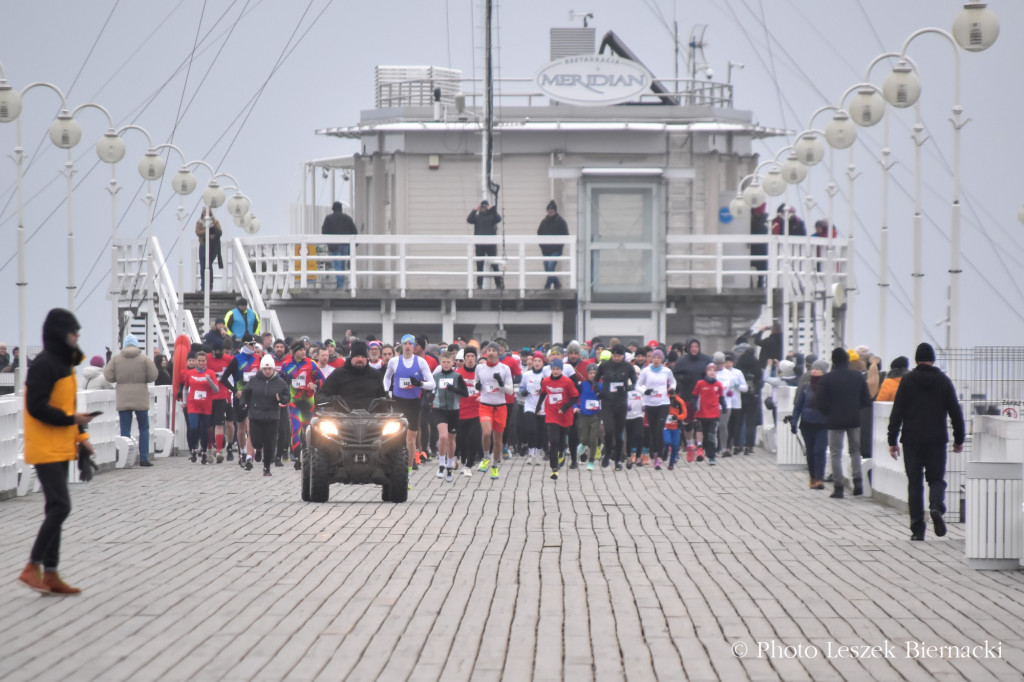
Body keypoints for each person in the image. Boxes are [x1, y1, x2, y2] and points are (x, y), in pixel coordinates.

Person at [17, 308, 94, 595]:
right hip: (44, 447)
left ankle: (50, 573)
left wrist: (81, 435)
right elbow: (35, 406)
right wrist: (72, 421)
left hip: (61, 445)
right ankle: (31, 566)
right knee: (61, 506)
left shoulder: (65, 364)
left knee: (55, 508)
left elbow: (67, 408)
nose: (78, 335)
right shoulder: (45, 364)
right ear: (61, 334)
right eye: (74, 331)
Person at [887, 343, 966, 541]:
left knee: (914, 483)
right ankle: (936, 507)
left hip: (911, 439)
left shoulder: (907, 381)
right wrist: (959, 438)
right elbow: (955, 412)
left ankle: (917, 530)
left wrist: (892, 440)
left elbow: (897, 412)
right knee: (936, 479)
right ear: (933, 359)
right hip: (936, 439)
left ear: (916, 359)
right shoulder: (943, 381)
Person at [817, 347, 872, 498]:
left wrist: (829, 413)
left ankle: (838, 486)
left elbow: (820, 402)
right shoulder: (857, 377)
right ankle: (858, 481)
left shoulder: (827, 378)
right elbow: (866, 400)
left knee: (835, 453)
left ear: (833, 361)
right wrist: (855, 409)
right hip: (854, 419)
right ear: (847, 360)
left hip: (835, 420)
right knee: (855, 451)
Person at [383, 334, 437, 475]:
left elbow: (432, 384)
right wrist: (387, 392)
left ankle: (408, 469)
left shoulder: (420, 362)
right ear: (401, 346)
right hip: (397, 402)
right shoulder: (394, 361)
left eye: (410, 344)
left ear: (414, 346)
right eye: (405, 343)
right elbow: (387, 377)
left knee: (411, 439)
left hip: (413, 403)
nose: (407, 346)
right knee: (395, 435)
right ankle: (394, 465)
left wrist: (420, 384)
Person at [104, 334, 159, 466]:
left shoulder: (116, 360)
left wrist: (119, 379)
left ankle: (126, 459)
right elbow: (153, 375)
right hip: (141, 397)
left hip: (123, 396)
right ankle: (144, 458)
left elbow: (108, 376)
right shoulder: (144, 359)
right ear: (136, 344)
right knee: (144, 427)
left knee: (125, 429)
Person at [242, 354, 290, 477]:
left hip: (272, 417)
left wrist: (281, 399)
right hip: (256, 416)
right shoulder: (254, 380)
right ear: (261, 369)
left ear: (273, 369)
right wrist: (244, 402)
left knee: (270, 443)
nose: (267, 371)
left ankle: (267, 467)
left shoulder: (280, 382)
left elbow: (287, 396)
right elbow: (246, 392)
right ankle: (258, 449)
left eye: (269, 369)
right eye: (265, 369)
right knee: (257, 441)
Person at [475, 342, 514, 479]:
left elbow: (510, 391)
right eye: (489, 350)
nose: (490, 352)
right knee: (486, 432)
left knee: (498, 440)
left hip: (500, 407)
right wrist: (477, 386)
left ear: (498, 353)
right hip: (485, 405)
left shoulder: (505, 369)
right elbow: (476, 384)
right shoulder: (480, 367)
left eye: (493, 350)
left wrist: (501, 383)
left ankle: (495, 465)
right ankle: (486, 457)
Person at [596, 344, 637, 469]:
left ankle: (618, 460)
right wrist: (598, 391)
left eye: (619, 356)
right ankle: (608, 453)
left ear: (623, 356)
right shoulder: (604, 365)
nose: (616, 358)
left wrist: (626, 388)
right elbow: (595, 379)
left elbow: (635, 382)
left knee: (619, 433)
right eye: (614, 355)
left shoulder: (628, 366)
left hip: (621, 402)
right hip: (607, 402)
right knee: (609, 431)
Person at [790, 359, 830, 489]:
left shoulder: (829, 387)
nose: (814, 370)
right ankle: (813, 477)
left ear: (824, 372)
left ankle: (820, 478)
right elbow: (798, 406)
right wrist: (794, 422)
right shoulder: (805, 387)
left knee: (820, 451)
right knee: (811, 452)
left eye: (818, 369)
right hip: (807, 424)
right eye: (813, 368)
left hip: (823, 424)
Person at [431, 350, 469, 482]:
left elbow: (465, 393)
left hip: (454, 410)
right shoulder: (436, 376)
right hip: (439, 409)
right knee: (443, 436)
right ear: (440, 363)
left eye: (448, 362)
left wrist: (454, 389)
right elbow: (430, 390)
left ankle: (450, 465)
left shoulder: (457, 376)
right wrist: (428, 399)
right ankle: (441, 464)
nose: (446, 365)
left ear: (453, 363)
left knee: (451, 440)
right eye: (443, 362)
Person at [283, 341, 321, 470]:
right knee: (295, 429)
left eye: (304, 350)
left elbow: (322, 380)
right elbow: (281, 381)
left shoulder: (312, 364)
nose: (303, 352)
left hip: (308, 402)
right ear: (294, 352)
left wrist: (315, 385)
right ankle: (297, 458)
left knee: (307, 430)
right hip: (294, 402)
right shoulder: (286, 365)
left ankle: (308, 455)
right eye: (300, 350)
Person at [672, 338, 711, 462]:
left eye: (696, 346)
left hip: (702, 395)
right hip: (687, 395)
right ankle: (689, 445)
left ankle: (700, 447)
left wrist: (707, 379)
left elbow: (713, 373)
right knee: (688, 423)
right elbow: (674, 374)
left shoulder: (706, 360)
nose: (694, 349)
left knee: (700, 422)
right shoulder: (682, 361)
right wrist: (683, 378)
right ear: (688, 348)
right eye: (692, 347)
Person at [540, 357, 578, 481]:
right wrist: (537, 407)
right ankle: (554, 468)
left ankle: (562, 451)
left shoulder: (567, 382)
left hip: (564, 414)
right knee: (554, 440)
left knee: (562, 439)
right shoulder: (545, 381)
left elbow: (575, 398)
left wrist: (565, 408)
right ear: (550, 369)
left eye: (558, 369)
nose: (555, 371)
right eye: (553, 369)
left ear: (561, 369)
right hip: (551, 413)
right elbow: (543, 393)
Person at [636, 349, 676, 466]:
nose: (656, 360)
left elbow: (673, 382)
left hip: (663, 403)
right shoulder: (646, 371)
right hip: (650, 403)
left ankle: (659, 456)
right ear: (651, 359)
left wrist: (671, 388)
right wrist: (645, 391)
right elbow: (638, 385)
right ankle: (654, 453)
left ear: (662, 359)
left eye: (659, 357)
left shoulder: (666, 371)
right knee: (653, 430)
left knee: (659, 429)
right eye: (654, 357)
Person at [692, 363, 726, 467]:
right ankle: (703, 449)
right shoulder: (700, 383)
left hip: (714, 414)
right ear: (706, 371)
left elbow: (721, 397)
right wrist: (694, 406)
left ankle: (712, 457)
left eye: (714, 370)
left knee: (711, 435)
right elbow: (694, 396)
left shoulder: (718, 384)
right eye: (710, 370)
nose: (712, 372)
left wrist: (724, 406)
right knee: (705, 436)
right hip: (702, 414)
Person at [467, 199, 503, 289]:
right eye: (481, 207)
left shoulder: (492, 217)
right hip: (480, 245)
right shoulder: (477, 217)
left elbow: (499, 218)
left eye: (484, 207)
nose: (482, 209)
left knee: (494, 264)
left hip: (491, 245)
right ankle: (479, 285)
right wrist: (475, 209)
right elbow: (469, 219)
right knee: (479, 265)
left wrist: (492, 209)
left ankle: (499, 284)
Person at [321, 201, 357, 288]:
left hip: (334, 245)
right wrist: (354, 244)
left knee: (337, 265)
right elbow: (354, 232)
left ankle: (340, 285)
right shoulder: (348, 218)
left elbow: (324, 231)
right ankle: (342, 284)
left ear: (333, 209)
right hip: (345, 245)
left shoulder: (329, 218)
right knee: (342, 264)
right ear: (341, 208)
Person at [537, 200, 569, 289]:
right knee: (547, 268)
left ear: (555, 211)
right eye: (549, 210)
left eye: (552, 210)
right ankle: (557, 284)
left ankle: (547, 286)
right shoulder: (544, 222)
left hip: (555, 250)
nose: (550, 211)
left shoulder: (561, 221)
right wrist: (542, 246)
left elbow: (565, 235)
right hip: (546, 250)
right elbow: (539, 234)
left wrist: (559, 247)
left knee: (551, 267)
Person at [195, 207, 222, 291]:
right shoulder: (199, 222)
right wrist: (207, 231)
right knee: (203, 265)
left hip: (212, 245)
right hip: (203, 245)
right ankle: (203, 286)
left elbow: (219, 232)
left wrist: (212, 232)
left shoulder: (215, 222)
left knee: (209, 265)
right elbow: (197, 232)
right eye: (204, 212)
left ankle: (210, 286)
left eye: (208, 212)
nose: (206, 213)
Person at [750, 202, 769, 288]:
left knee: (761, 271)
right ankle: (754, 285)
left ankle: (760, 286)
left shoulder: (765, 220)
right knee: (749, 268)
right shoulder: (764, 220)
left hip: (761, 249)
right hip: (753, 249)